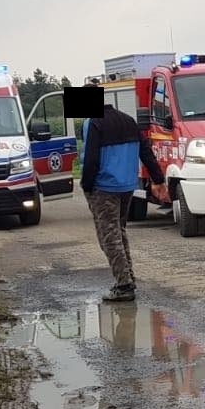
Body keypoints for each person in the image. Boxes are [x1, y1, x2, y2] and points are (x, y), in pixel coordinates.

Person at [81, 104, 166, 302]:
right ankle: (128, 278)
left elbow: (91, 158)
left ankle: (124, 285)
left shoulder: (94, 123)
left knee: (109, 237)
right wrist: (158, 178)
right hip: (127, 185)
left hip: (104, 186)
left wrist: (86, 185)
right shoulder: (128, 120)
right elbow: (145, 151)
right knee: (119, 231)